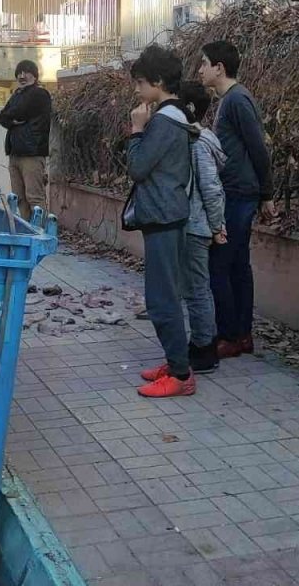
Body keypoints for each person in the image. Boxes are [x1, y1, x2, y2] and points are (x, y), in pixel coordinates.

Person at [127, 45, 199, 398]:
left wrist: (137, 131)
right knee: (165, 293)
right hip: (169, 214)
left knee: (161, 298)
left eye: (140, 83)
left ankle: (182, 375)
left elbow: (138, 168)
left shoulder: (163, 121)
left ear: (157, 81)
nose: (137, 91)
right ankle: (175, 361)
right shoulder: (177, 115)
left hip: (163, 216)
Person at [198, 40, 275, 360]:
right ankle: (242, 334)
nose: (200, 70)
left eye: (204, 63)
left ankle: (230, 334)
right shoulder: (229, 100)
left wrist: (267, 194)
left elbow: (258, 147)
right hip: (237, 192)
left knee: (221, 264)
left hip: (238, 194)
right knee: (237, 265)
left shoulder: (237, 100)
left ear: (220, 67)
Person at [178, 81, 227, 375]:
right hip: (198, 224)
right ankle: (204, 343)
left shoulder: (197, 144)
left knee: (197, 289)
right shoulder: (201, 139)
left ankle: (203, 349)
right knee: (198, 287)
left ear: (190, 108)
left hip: (196, 226)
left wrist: (217, 225)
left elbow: (211, 187)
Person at [0, 60, 53, 220]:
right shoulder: (17, 94)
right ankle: (26, 232)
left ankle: (41, 234)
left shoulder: (39, 94)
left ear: (34, 75)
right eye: (19, 72)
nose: (22, 76)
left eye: (26, 72)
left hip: (32, 154)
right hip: (15, 153)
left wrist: (11, 119)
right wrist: (11, 119)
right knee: (19, 199)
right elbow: (2, 117)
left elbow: (18, 112)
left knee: (34, 197)